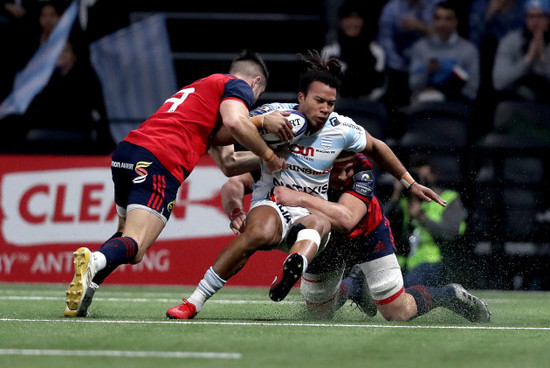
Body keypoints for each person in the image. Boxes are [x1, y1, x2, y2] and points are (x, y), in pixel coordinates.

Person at [165, 50, 446, 320]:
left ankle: (295, 266)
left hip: (313, 213)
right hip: (272, 204)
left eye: (331, 103)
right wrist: (262, 125)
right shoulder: (275, 115)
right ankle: (194, 302)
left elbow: (377, 146)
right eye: (319, 101)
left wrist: (409, 183)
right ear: (301, 97)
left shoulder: (341, 129)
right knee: (256, 234)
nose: (325, 109)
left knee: (318, 223)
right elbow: (221, 134)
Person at [63, 49, 288, 317]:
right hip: (161, 161)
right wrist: (268, 152)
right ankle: (94, 259)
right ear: (255, 83)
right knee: (135, 247)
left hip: (128, 152)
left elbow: (229, 163)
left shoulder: (201, 92)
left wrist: (274, 158)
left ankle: (85, 294)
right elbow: (236, 122)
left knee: (125, 236)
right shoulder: (238, 85)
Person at [220, 151, 491, 323]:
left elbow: (348, 218)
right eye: (336, 169)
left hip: (367, 237)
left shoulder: (361, 168)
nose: (343, 175)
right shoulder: (293, 159)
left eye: (348, 167)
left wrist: (299, 197)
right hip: (328, 240)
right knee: (319, 315)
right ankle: (355, 287)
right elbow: (234, 182)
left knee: (397, 312)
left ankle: (447, 294)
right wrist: (235, 212)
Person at [384, 154, 467, 287]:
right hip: (403, 262)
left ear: (434, 175)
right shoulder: (404, 202)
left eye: (422, 177)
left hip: (435, 261)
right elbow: (380, 224)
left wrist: (422, 218)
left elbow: (453, 233)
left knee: (406, 286)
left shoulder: (448, 198)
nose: (417, 182)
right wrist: (396, 195)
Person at [408, 1, 480, 105]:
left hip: (456, 106)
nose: (442, 24)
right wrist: (427, 71)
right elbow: (413, 84)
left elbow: (473, 89)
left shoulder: (469, 49)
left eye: (447, 19)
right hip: (423, 106)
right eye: (437, 18)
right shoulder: (420, 47)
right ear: (433, 20)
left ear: (455, 22)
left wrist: (442, 94)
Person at [321, 0, 386, 101]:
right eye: (348, 18)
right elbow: (326, 84)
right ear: (340, 22)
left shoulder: (377, 52)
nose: (352, 23)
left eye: (356, 18)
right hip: (338, 105)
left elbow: (379, 86)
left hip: (368, 105)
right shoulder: (330, 52)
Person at [492, 0, 550, 102]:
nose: (535, 21)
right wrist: (528, 59)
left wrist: (542, 58)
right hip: (516, 100)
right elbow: (499, 83)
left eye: (541, 16)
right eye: (531, 16)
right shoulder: (511, 41)